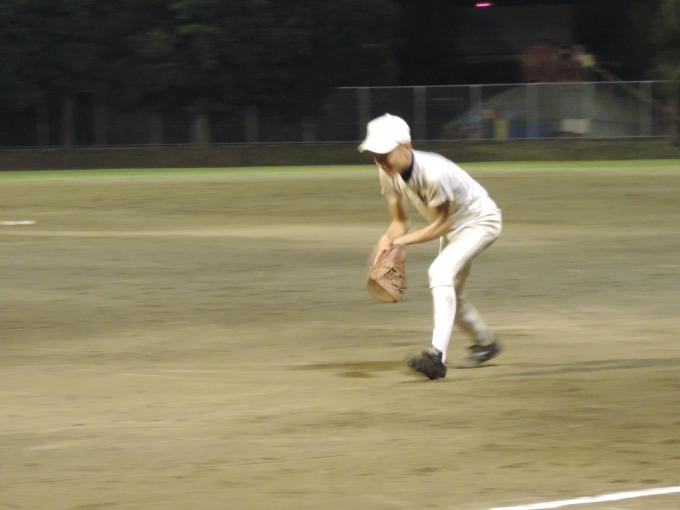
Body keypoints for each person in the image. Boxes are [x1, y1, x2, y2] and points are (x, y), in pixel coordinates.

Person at [359, 114, 503, 380]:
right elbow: (400, 222)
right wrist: (387, 240)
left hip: (480, 222)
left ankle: (437, 358)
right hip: (455, 227)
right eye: (375, 154)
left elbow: (443, 223)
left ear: (407, 147)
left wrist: (401, 242)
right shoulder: (387, 173)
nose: (380, 160)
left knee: (439, 273)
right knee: (450, 295)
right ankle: (486, 343)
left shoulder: (432, 172)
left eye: (385, 153)